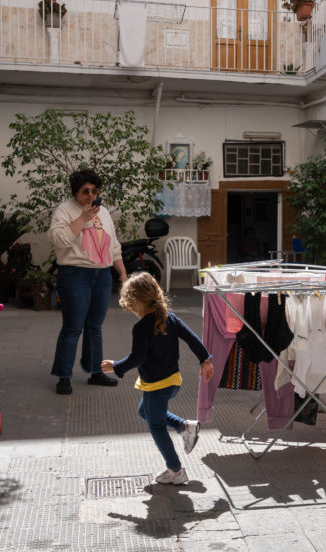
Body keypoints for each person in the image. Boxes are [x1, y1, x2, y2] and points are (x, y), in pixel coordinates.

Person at [101, 273, 214, 485]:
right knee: (144, 411)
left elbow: (137, 357)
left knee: (156, 426)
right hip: (171, 382)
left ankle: (176, 470)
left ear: (136, 302)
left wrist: (115, 367)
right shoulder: (170, 318)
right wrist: (204, 360)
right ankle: (184, 427)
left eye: (131, 307)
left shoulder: (142, 327)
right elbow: (192, 338)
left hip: (156, 386)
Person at [48, 169, 127, 395]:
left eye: (94, 191)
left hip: (102, 275)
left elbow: (114, 246)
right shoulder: (64, 210)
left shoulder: (104, 213)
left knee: (95, 327)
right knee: (73, 327)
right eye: (85, 191)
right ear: (76, 192)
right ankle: (64, 376)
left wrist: (122, 274)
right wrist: (82, 218)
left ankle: (96, 372)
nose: (91, 196)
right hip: (75, 274)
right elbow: (60, 240)